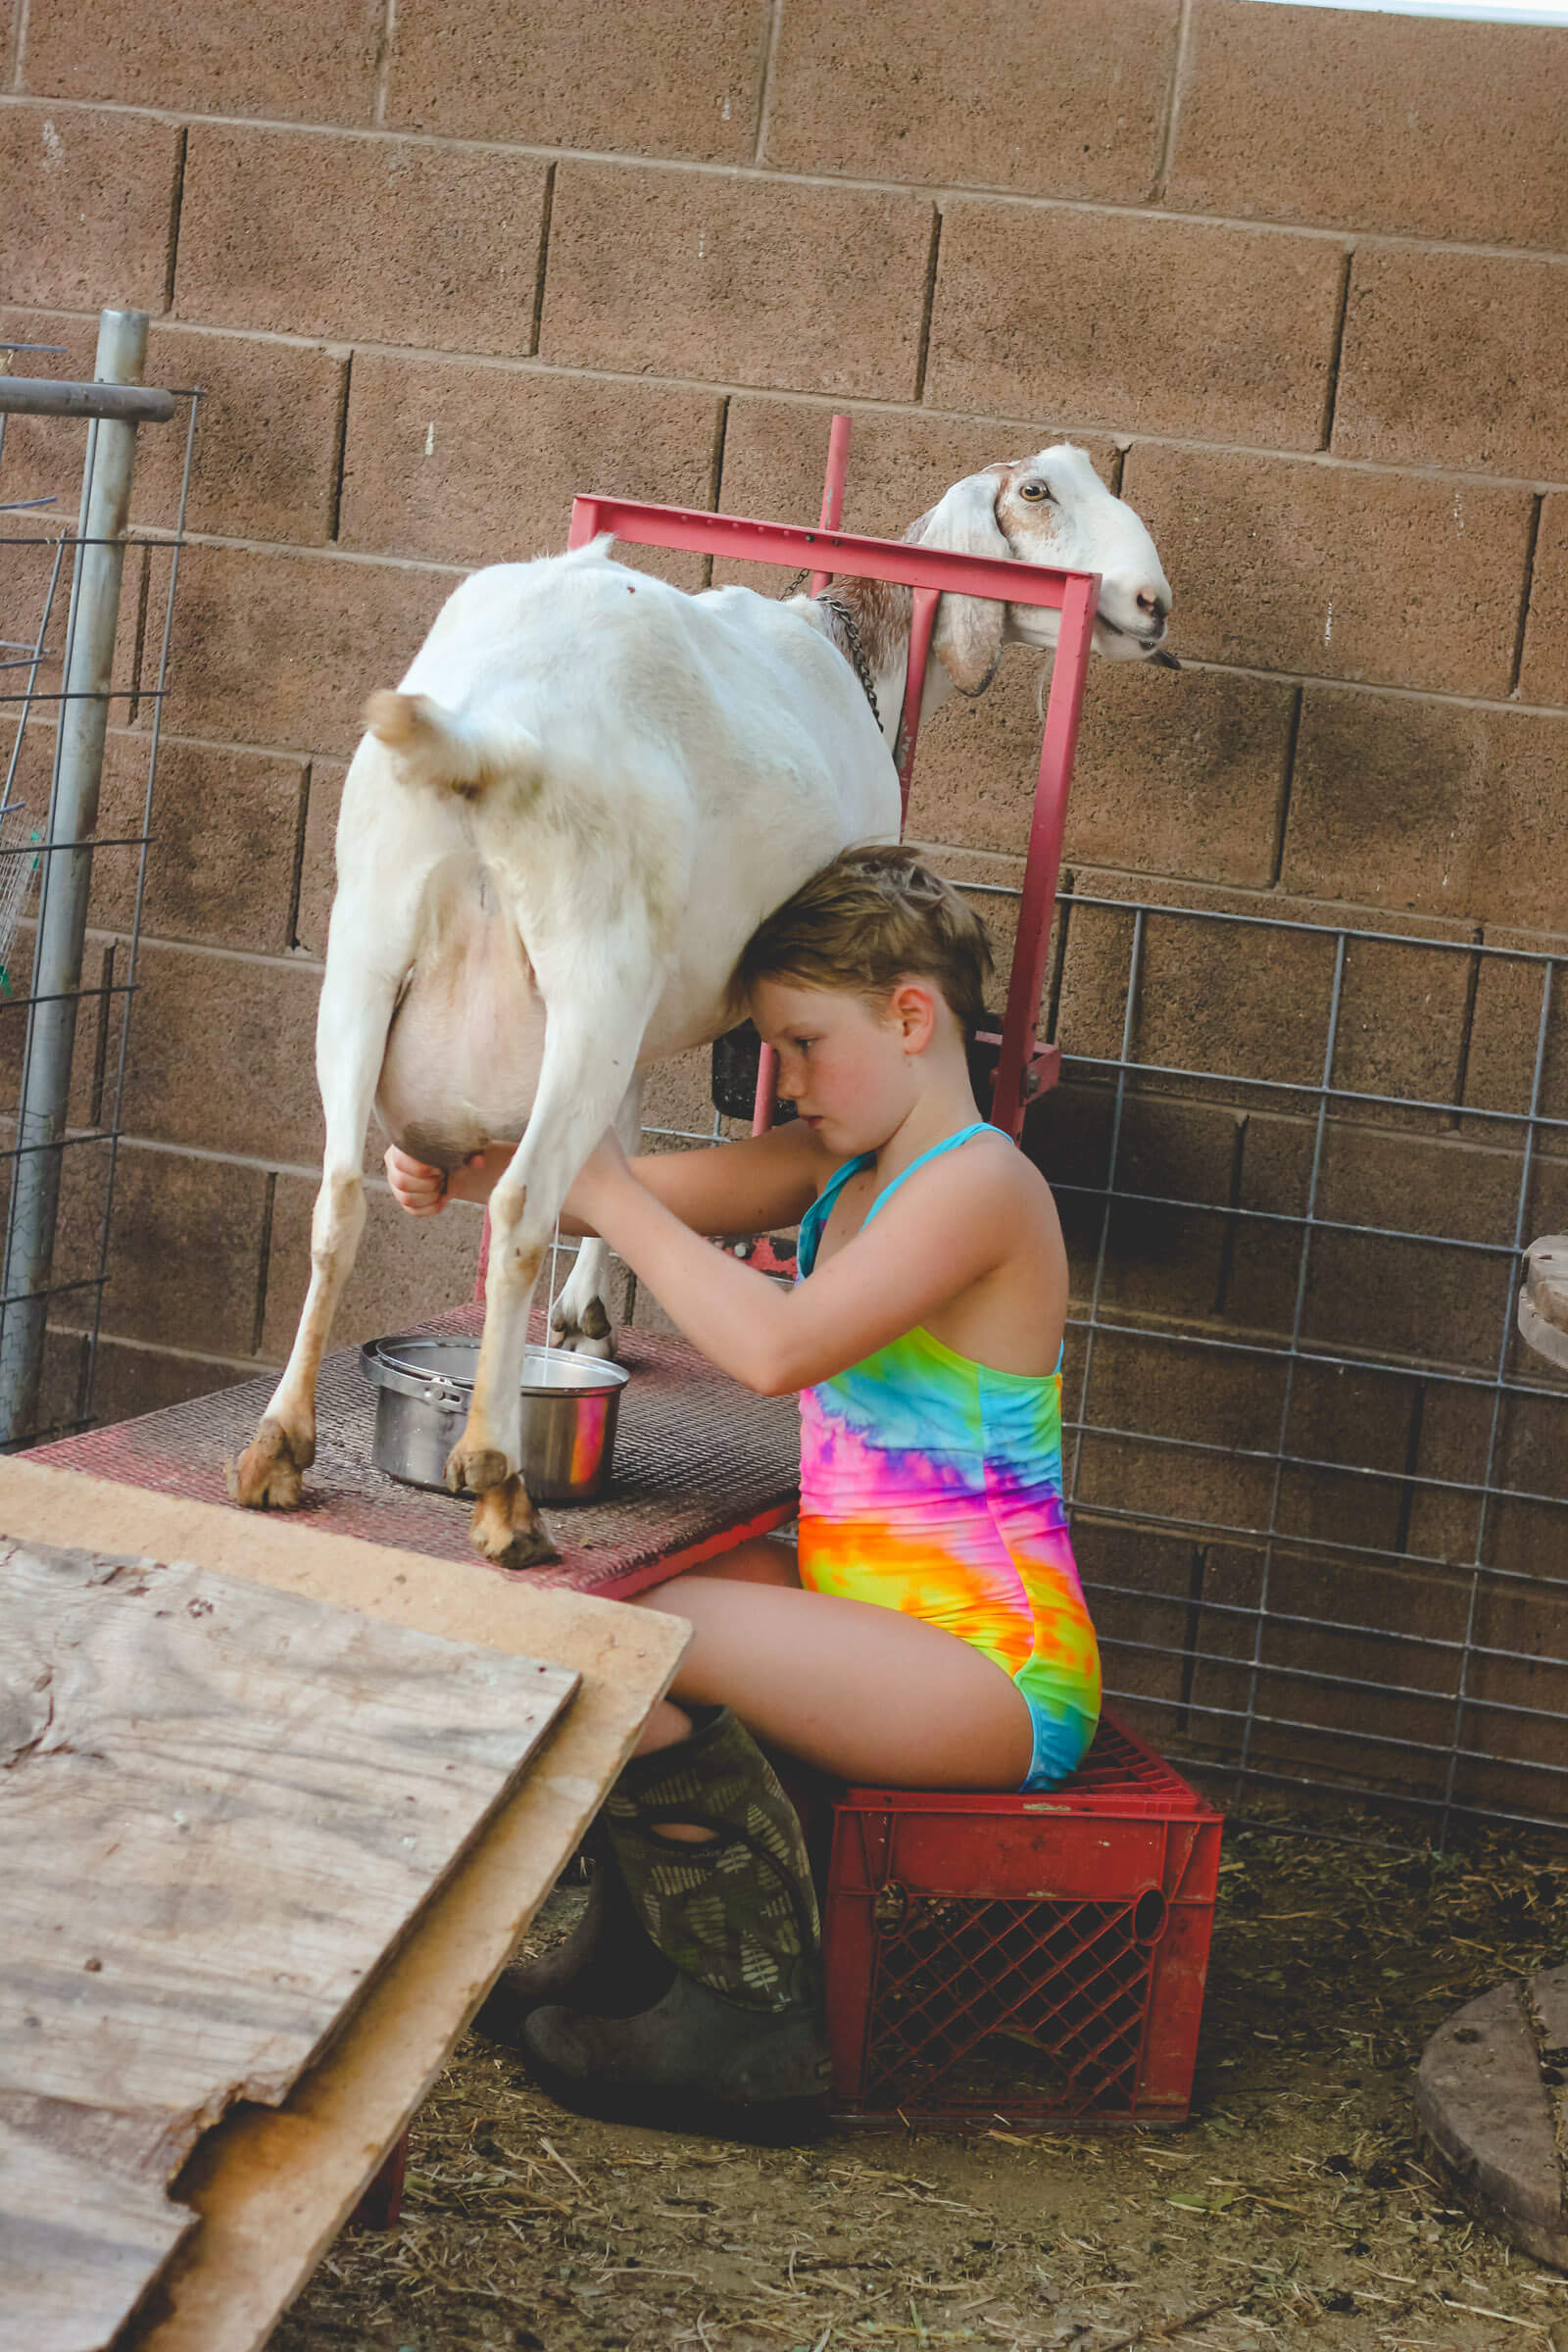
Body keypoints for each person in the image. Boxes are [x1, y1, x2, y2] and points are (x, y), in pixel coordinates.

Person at [384, 845, 1102, 2135]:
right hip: (864, 1618)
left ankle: (751, 2017)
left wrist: (598, 1185)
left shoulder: (984, 1188)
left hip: (992, 1671)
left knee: (643, 1632)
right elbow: (603, 1201)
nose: (792, 1081)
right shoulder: (840, 1167)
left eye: (806, 1043)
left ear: (912, 1017)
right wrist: (470, 1171)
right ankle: (633, 1955)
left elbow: (777, 1349)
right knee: (616, 1593)